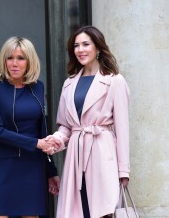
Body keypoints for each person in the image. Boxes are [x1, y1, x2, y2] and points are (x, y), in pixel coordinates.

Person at [44, 25, 130, 218]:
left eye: (85, 44)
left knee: (103, 211)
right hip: (75, 155)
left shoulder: (115, 81)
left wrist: (123, 171)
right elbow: (65, 125)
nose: (80, 50)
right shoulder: (69, 83)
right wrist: (56, 140)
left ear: (98, 48)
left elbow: (123, 129)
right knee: (78, 210)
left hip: (102, 152)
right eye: (76, 45)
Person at [0, 36, 60, 218]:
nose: (14, 63)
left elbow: (42, 130)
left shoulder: (38, 88)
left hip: (32, 165)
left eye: (21, 58)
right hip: (2, 165)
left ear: (29, 61)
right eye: (10, 58)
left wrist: (51, 171)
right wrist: (36, 143)